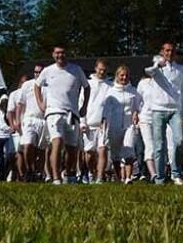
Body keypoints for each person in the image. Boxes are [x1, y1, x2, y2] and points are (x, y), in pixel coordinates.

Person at [34, 45, 90, 185]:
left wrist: (84, 107)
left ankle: (70, 174)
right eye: (57, 53)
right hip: (54, 112)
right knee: (57, 142)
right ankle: (55, 177)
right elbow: (37, 86)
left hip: (72, 113)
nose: (60, 55)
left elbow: (87, 87)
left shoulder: (76, 70)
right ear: (53, 54)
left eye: (63, 52)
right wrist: (41, 103)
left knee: (72, 149)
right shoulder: (48, 71)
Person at [145, 42, 183, 185]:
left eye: (172, 51)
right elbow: (148, 71)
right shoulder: (157, 68)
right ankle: (160, 178)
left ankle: (176, 173)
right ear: (162, 52)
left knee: (179, 140)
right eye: (167, 51)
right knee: (159, 145)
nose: (169, 53)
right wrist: (158, 64)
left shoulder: (180, 69)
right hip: (158, 109)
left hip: (175, 109)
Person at [102, 65, 141, 184]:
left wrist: (136, 113)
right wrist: (104, 121)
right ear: (117, 76)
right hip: (114, 125)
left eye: (126, 75)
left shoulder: (133, 91)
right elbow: (106, 108)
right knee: (115, 154)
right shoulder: (110, 91)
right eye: (122, 75)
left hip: (129, 125)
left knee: (129, 149)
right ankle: (119, 177)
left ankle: (128, 177)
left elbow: (138, 106)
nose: (124, 78)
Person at [80, 59, 112, 183]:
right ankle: (92, 172)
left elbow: (111, 105)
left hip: (104, 124)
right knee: (89, 154)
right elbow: (81, 103)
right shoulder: (88, 84)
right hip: (89, 123)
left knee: (102, 149)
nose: (102, 72)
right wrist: (83, 122)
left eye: (104, 70)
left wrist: (108, 120)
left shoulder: (111, 85)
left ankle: (100, 177)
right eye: (100, 69)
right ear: (95, 69)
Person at [17, 64, 48, 182]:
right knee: (28, 145)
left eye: (40, 72)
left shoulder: (48, 86)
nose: (37, 74)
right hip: (29, 119)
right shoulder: (27, 85)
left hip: (43, 120)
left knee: (42, 150)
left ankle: (39, 173)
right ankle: (29, 169)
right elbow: (20, 103)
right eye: (35, 72)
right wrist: (17, 121)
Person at [136, 73, 159, 182]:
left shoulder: (165, 83)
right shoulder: (143, 83)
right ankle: (153, 174)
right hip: (145, 119)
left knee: (160, 146)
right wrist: (136, 113)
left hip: (160, 118)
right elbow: (137, 101)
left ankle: (161, 172)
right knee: (149, 145)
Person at [7, 75, 28, 181]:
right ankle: (18, 173)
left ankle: (23, 174)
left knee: (25, 152)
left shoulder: (31, 93)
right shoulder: (14, 94)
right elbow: (10, 111)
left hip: (28, 126)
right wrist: (12, 125)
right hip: (17, 127)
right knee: (17, 152)